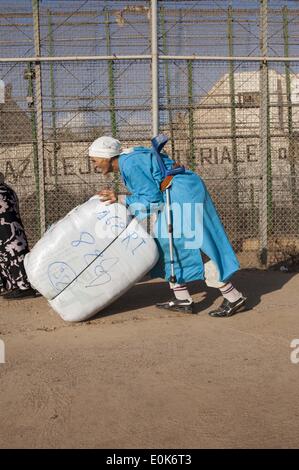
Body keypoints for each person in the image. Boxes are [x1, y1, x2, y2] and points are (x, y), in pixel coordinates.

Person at [88, 136, 247, 317]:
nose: (94, 165)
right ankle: (182, 298)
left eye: (94, 160)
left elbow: (152, 199)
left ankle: (233, 297)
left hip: (181, 194)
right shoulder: (128, 160)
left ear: (106, 157)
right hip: (177, 192)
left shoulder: (130, 165)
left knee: (188, 244)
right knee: (168, 243)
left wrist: (122, 199)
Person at [0, 172, 37, 299]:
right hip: (5, 196)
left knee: (10, 243)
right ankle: (16, 284)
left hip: (3, 200)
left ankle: (23, 286)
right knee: (8, 244)